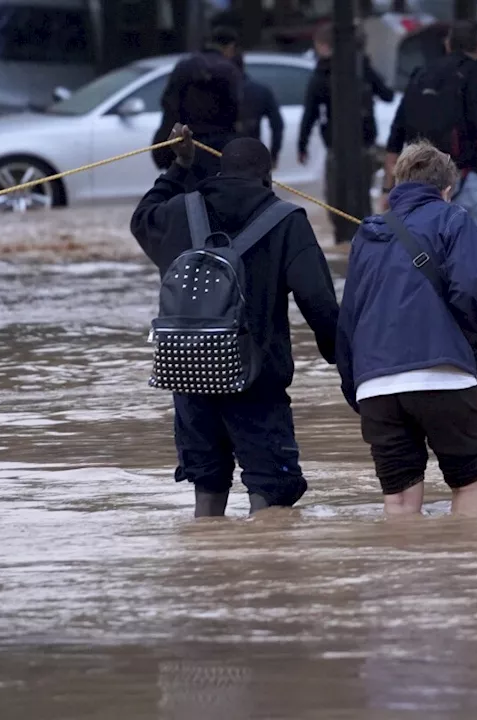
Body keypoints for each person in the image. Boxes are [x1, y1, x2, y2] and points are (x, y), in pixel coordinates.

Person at [130, 126, 340, 516]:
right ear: (268, 177)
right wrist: (343, 362)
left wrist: (179, 168)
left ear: (221, 170)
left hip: (190, 376)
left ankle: (210, 568)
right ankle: (260, 570)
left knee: (208, 486)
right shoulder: (287, 220)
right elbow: (319, 302)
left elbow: (141, 218)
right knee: (271, 492)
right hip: (257, 381)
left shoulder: (179, 210)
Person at [336, 141, 477, 518]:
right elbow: (471, 292)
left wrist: (355, 386)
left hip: (376, 386)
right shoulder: (453, 219)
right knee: (469, 485)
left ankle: (407, 572)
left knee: (399, 501)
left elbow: (349, 317)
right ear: (446, 189)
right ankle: (473, 574)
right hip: (444, 377)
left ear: (397, 184)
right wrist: (476, 333)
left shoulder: (367, 233)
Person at [385, 20, 477, 301]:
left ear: (448, 44)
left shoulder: (422, 74)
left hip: (430, 182)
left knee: (436, 253)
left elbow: (396, 135)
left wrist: (388, 187)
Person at [297, 22, 394, 243]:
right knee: (360, 197)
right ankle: (361, 238)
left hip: (343, 147)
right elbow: (387, 94)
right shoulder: (360, 68)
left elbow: (310, 112)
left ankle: (349, 238)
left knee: (338, 198)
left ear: (324, 46)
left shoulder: (324, 73)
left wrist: (302, 145)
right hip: (362, 144)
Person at [151, 26, 244, 175]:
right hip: (218, 148)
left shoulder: (184, 66)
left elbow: (168, 104)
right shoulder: (229, 70)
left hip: (184, 144)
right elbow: (237, 111)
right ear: (230, 47)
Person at [235, 52, 284, 166]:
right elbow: (277, 125)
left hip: (219, 155)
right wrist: (273, 155)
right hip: (253, 155)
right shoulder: (260, 91)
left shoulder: (215, 93)